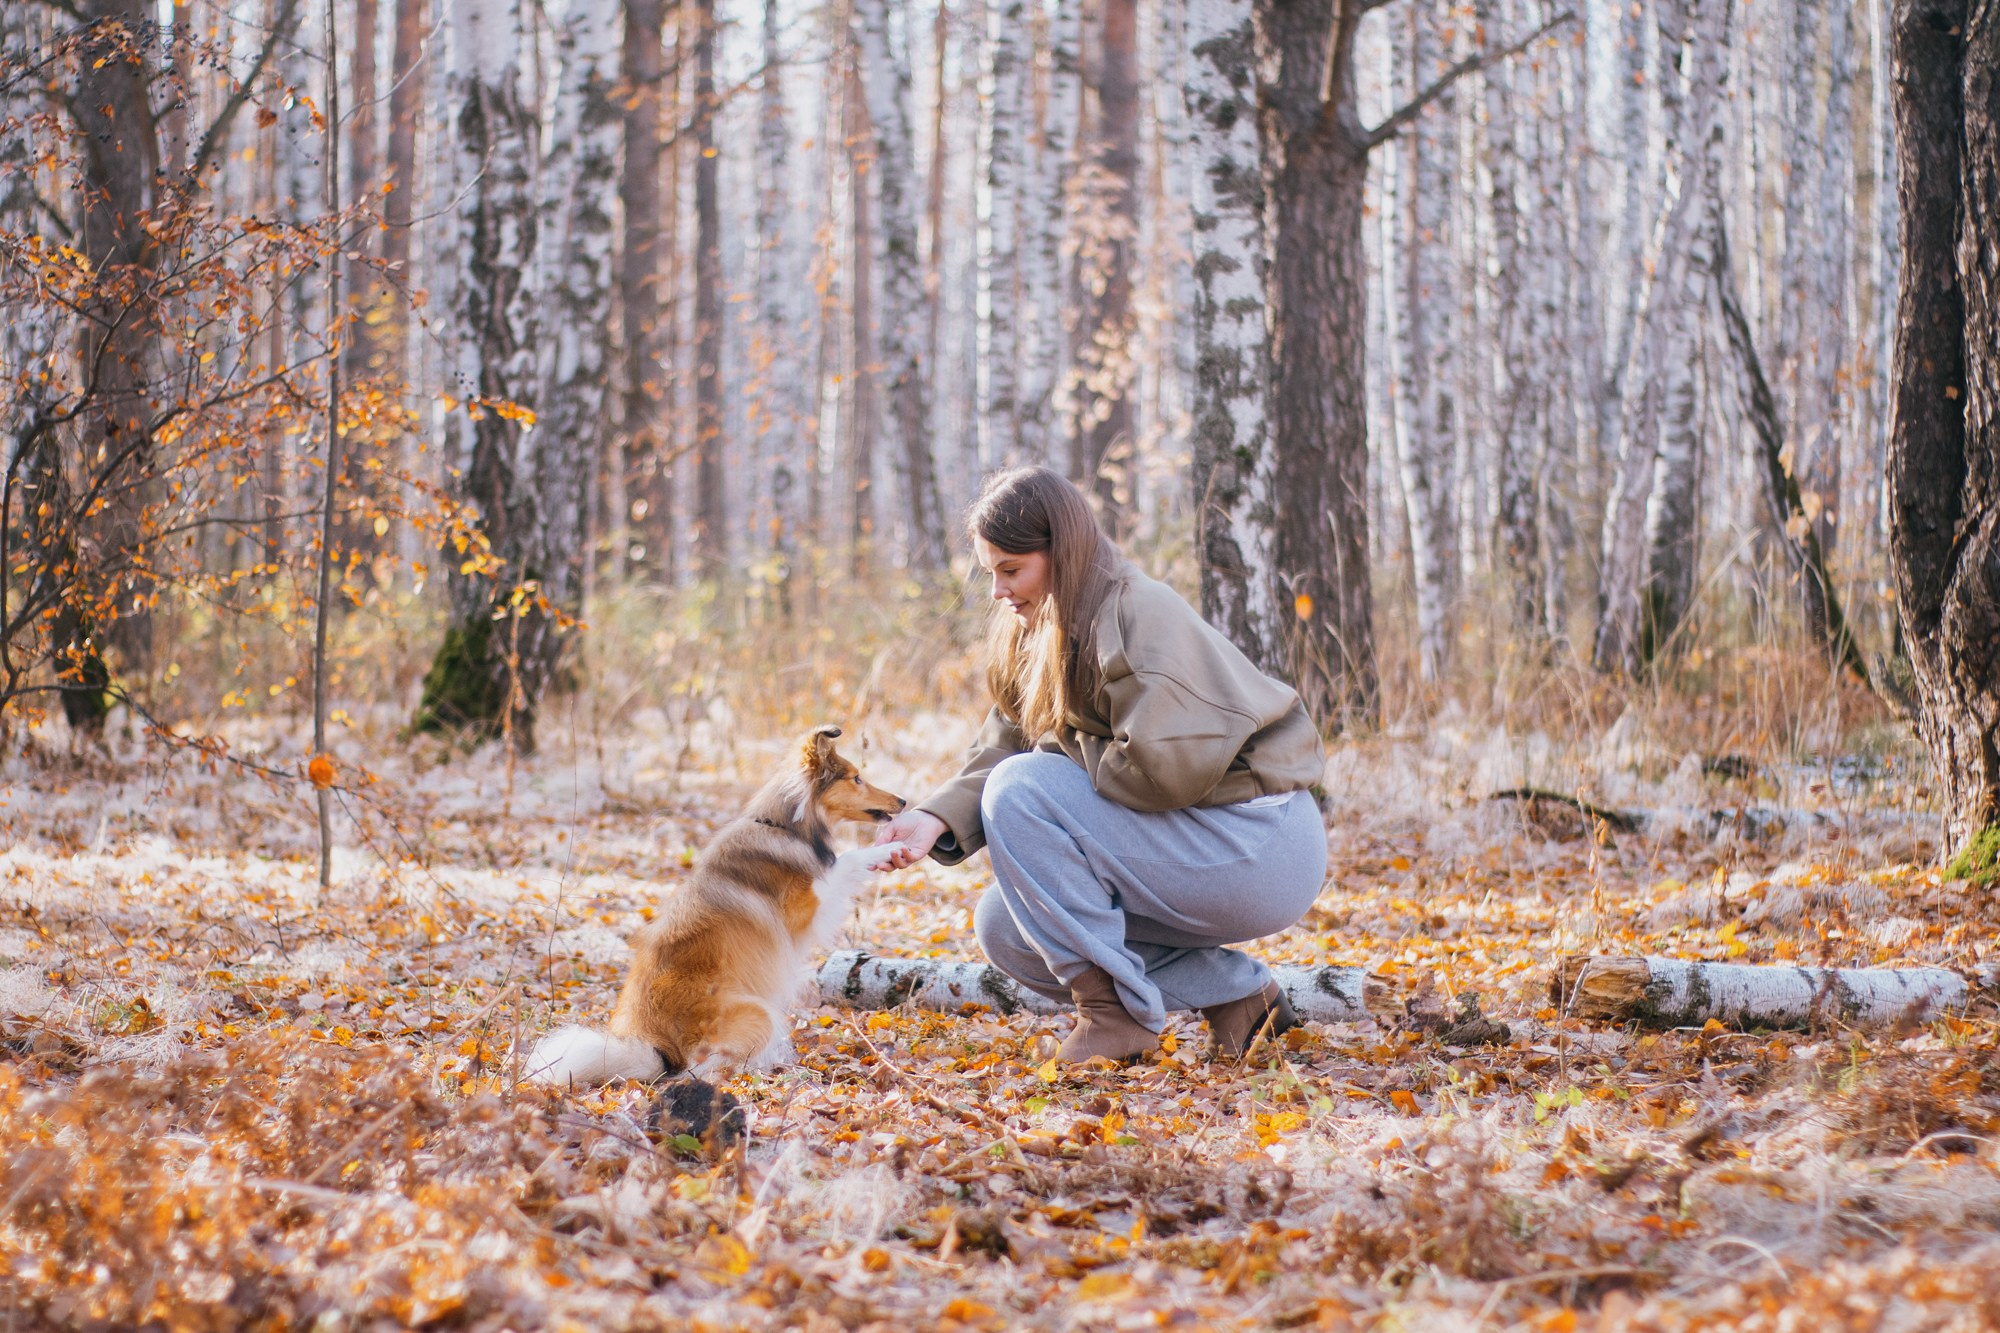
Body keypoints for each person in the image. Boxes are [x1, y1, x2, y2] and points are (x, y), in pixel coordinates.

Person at [874, 467, 1328, 1063]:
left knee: (1023, 788)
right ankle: (1241, 999)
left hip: (1261, 844)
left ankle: (1115, 1019)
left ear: (1061, 552)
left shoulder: (1139, 613)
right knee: (1009, 927)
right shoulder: (1036, 625)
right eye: (991, 573)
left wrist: (1051, 751)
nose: (998, 592)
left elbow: (1163, 773)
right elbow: (1008, 740)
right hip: (1200, 843)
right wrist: (935, 817)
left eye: (1012, 570)